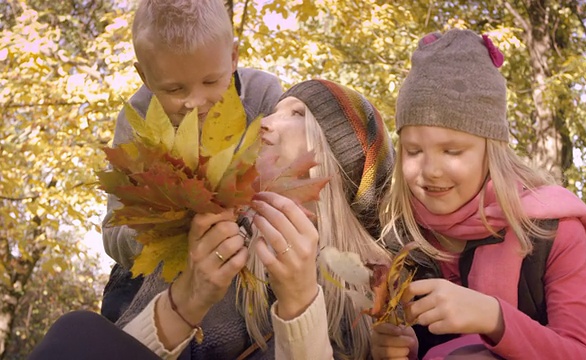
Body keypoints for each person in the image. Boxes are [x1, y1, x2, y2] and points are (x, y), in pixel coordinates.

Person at [371, 29, 586, 359]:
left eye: (452, 151)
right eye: (413, 151)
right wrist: (403, 349)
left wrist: (494, 317)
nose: (431, 170)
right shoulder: (399, 238)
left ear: (491, 149)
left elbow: (585, 353)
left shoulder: (551, 228)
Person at [109, 79, 395, 359]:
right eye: (275, 110)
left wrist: (300, 307)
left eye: (297, 113)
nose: (264, 122)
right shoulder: (208, 234)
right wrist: (184, 305)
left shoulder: (374, 294)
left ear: (338, 161)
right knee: (75, 329)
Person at [100, 0, 283, 323]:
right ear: (144, 76)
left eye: (211, 82)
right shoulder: (136, 121)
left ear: (233, 57)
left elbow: (288, 182)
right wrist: (166, 228)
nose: (196, 101)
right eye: (174, 88)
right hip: (156, 283)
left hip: (250, 270)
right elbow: (114, 232)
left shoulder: (264, 96)